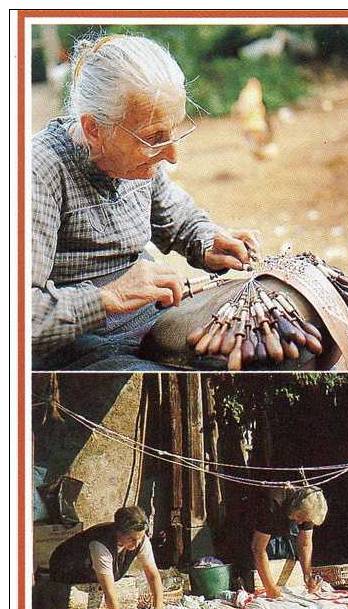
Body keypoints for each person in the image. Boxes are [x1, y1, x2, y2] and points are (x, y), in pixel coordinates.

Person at [32, 33, 261, 371]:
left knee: (260, 347)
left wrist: (207, 240)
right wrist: (108, 297)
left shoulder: (138, 161)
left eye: (174, 131)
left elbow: (178, 218)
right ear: (94, 129)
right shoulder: (39, 171)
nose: (171, 155)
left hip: (154, 322)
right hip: (81, 347)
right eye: (155, 138)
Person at [48, 505, 164, 609]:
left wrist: (159, 606)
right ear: (119, 533)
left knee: (115, 576)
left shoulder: (140, 539)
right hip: (67, 567)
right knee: (68, 602)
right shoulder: (100, 544)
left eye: (139, 538)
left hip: (95, 566)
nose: (137, 542)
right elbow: (108, 590)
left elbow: (152, 575)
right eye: (132, 539)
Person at [249, 485, 329, 599]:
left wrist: (307, 576)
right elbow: (258, 548)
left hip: (282, 529)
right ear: (295, 508)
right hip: (257, 529)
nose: (301, 522)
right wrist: (270, 588)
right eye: (299, 517)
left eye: (304, 521)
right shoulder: (272, 504)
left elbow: (305, 544)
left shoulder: (311, 505)